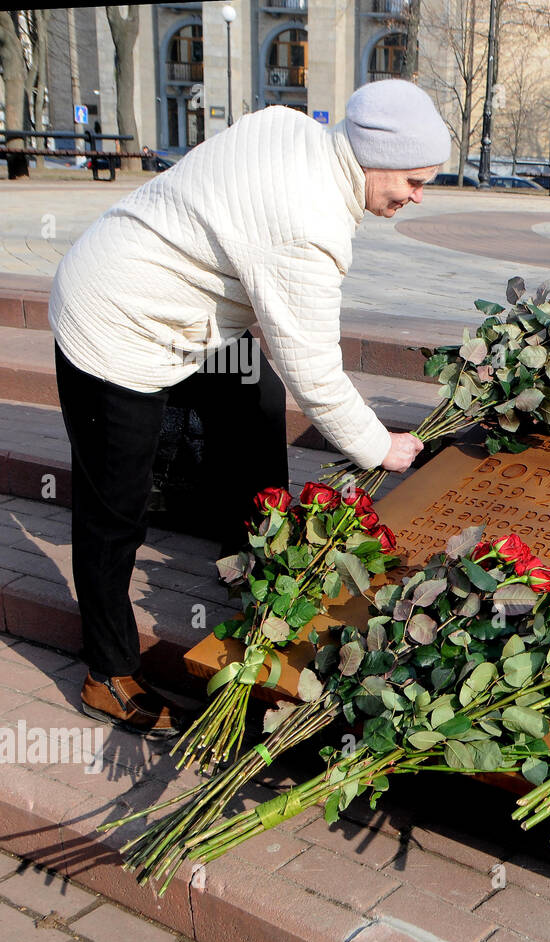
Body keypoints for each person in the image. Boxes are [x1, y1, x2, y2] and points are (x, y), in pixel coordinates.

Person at [48, 80, 450, 738]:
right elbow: (315, 373)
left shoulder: (290, 127)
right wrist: (383, 447)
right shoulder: (312, 224)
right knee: (113, 504)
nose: (415, 197)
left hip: (173, 305)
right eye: (413, 180)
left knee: (252, 395)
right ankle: (107, 672)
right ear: (375, 156)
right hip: (112, 321)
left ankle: (253, 556)